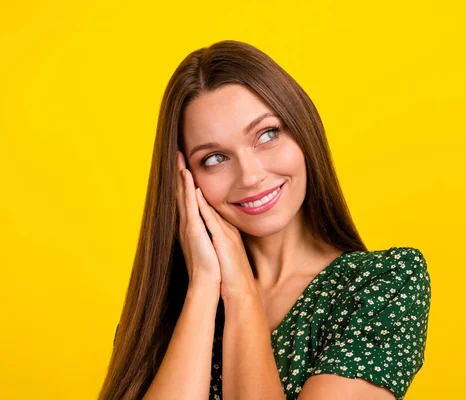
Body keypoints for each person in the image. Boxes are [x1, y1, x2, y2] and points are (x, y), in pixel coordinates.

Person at [98, 40, 431, 400]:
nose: (250, 175)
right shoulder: (159, 321)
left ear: (303, 131)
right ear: (185, 181)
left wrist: (240, 290)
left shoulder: (383, 284)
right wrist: (206, 284)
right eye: (214, 158)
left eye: (267, 135)